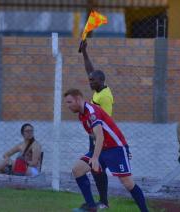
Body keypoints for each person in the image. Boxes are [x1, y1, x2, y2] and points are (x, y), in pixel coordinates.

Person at [64, 88, 148, 212]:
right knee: (78, 169)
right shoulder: (82, 115)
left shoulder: (91, 112)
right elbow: (95, 137)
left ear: (78, 99)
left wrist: (95, 158)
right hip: (103, 148)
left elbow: (100, 136)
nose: (67, 106)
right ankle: (91, 207)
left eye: (69, 102)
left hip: (116, 148)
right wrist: (94, 156)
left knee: (128, 183)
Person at [79, 40, 114, 209]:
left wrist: (94, 136)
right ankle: (102, 201)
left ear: (101, 80)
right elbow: (90, 70)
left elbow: (105, 120)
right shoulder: (99, 90)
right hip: (95, 135)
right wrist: (84, 52)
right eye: (90, 80)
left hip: (102, 138)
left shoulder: (105, 97)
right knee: (96, 168)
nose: (90, 82)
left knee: (97, 167)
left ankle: (104, 202)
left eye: (92, 81)